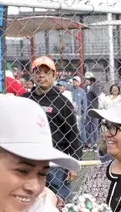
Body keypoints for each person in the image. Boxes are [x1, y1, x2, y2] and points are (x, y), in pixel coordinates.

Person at [21, 55, 83, 198]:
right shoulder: (24, 100)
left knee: (59, 202)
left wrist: (73, 164)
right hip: (28, 159)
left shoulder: (62, 102)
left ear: (53, 75)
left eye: (46, 72)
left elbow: (73, 134)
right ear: (32, 75)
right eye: (37, 72)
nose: (41, 75)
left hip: (56, 162)